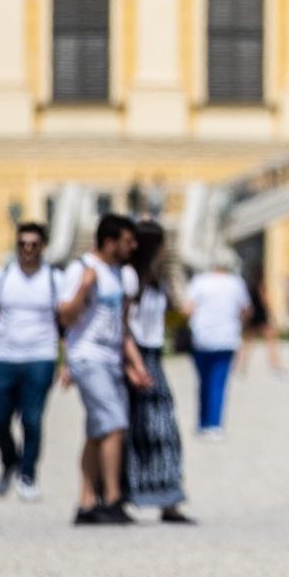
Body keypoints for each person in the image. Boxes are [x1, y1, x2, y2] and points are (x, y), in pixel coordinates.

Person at [58, 213, 152, 526]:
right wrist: (84, 289)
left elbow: (121, 326)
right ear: (109, 242)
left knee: (97, 431)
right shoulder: (81, 269)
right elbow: (65, 317)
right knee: (114, 424)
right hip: (87, 356)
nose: (133, 246)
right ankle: (112, 498)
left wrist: (135, 364)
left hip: (111, 359)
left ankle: (86, 502)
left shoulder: (120, 274)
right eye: (128, 241)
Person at [0, 221, 61, 499]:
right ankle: (10, 460)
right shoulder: (2, 276)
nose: (27, 249)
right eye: (22, 244)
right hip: (5, 357)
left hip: (41, 357)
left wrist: (68, 362)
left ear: (43, 246)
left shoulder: (54, 279)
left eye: (33, 244)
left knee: (32, 419)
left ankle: (27, 475)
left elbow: (65, 322)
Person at [125, 220, 192, 524]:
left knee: (165, 428)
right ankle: (132, 493)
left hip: (153, 355)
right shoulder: (131, 279)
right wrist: (133, 365)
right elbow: (123, 324)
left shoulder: (156, 280)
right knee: (140, 429)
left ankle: (169, 497)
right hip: (136, 356)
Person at [182, 261, 251, 436]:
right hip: (226, 338)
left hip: (201, 338)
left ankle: (202, 422)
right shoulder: (236, 283)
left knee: (203, 381)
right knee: (218, 382)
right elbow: (246, 310)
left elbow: (187, 308)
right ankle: (214, 424)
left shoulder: (200, 281)